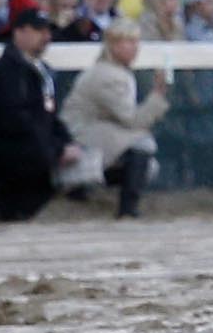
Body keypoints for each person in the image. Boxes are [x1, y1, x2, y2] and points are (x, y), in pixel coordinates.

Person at [0, 0, 74, 221]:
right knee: (38, 161)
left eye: (48, 30)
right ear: (19, 32)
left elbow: (48, 115)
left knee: (42, 163)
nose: (46, 36)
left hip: (18, 144)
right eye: (39, 30)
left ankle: (4, 214)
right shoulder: (8, 69)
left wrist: (66, 142)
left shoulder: (40, 70)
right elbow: (15, 119)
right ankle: (0, 214)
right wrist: (57, 149)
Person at [65, 24, 172, 217]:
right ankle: (127, 208)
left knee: (145, 161)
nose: (134, 47)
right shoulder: (107, 75)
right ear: (113, 46)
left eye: (136, 42)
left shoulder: (116, 71)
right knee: (142, 144)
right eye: (128, 42)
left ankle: (83, 188)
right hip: (80, 135)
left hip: (93, 132)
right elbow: (132, 121)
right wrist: (157, 94)